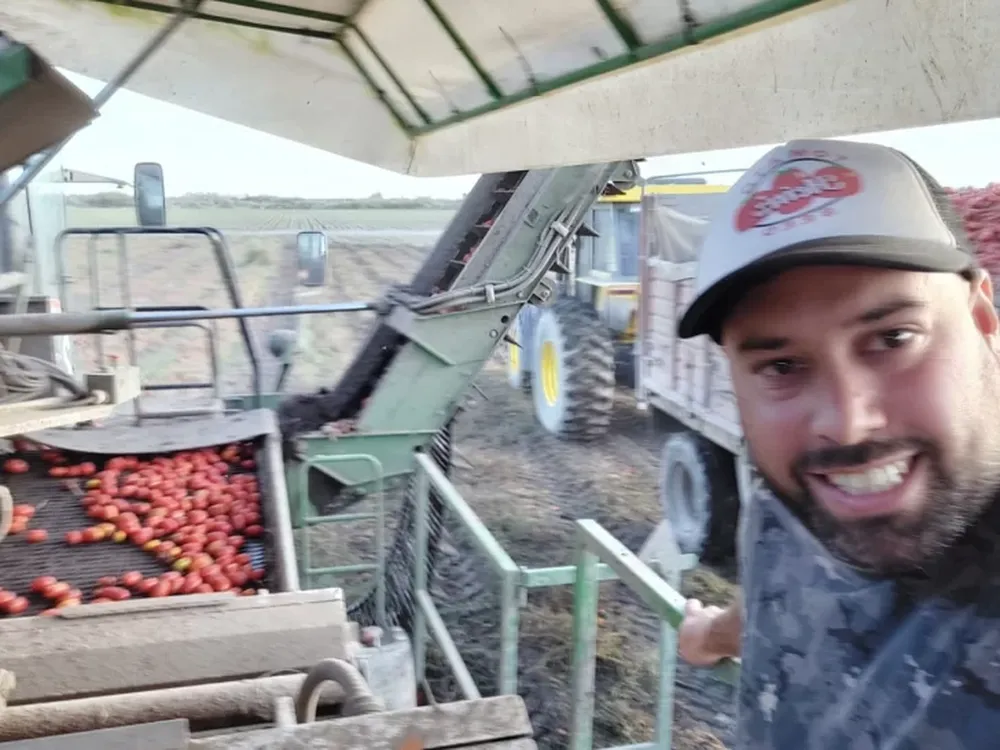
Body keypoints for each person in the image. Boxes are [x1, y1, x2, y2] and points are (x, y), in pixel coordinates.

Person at [674, 137, 1000, 749]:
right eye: (781, 365)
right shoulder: (799, 486)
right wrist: (715, 633)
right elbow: (788, 587)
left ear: (984, 319)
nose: (846, 425)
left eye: (894, 337)